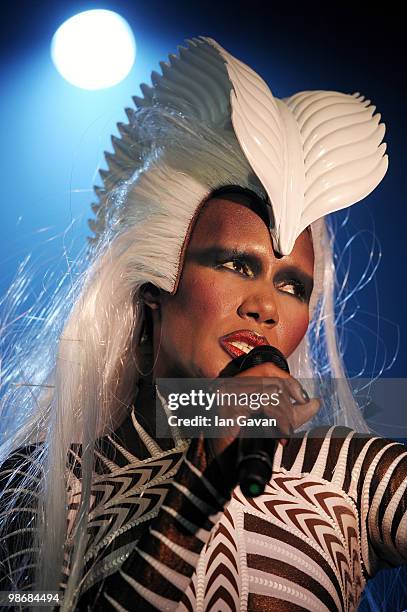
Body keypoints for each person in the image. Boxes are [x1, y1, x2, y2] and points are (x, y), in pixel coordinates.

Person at [0, 36, 406, 611]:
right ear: (154, 291)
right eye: (235, 264)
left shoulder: (352, 474)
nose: (266, 306)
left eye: (292, 285)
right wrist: (195, 497)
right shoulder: (37, 490)